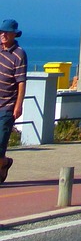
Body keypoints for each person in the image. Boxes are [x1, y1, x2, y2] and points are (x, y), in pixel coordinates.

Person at [0, 19, 27, 184]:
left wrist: (18, 105)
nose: (2, 35)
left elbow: (21, 82)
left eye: (6, 32)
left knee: (0, 143)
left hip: (7, 106)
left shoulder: (19, 54)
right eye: (1, 32)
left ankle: (3, 162)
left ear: (13, 34)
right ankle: (5, 163)